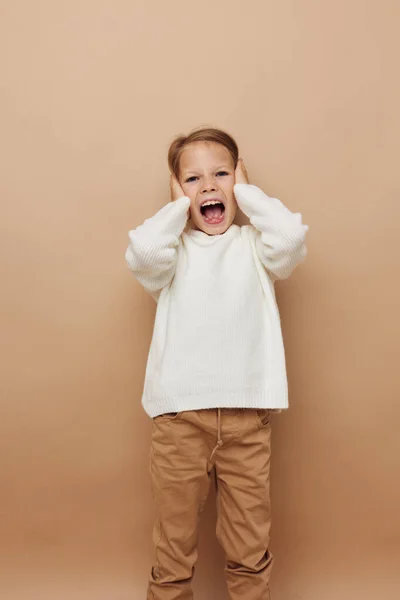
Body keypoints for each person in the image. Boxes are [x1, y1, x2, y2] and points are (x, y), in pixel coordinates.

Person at [125, 127, 309, 600]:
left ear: (239, 181)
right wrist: (174, 209)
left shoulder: (255, 246)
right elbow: (143, 253)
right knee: (173, 548)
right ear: (176, 190)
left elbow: (290, 237)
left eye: (221, 174)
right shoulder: (171, 252)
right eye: (192, 179)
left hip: (247, 422)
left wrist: (246, 193)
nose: (208, 186)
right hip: (179, 422)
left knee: (251, 549)